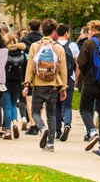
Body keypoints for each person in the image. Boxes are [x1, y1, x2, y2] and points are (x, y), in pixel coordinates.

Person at [25, 20, 68, 152]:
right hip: (53, 85)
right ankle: (50, 143)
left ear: (42, 30)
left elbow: (30, 67)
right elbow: (63, 70)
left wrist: (27, 83)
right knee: (52, 113)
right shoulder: (59, 48)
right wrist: (64, 87)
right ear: (54, 32)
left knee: (35, 112)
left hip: (39, 84)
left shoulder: (35, 46)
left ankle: (42, 128)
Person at [77, 19, 100, 149]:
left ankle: (92, 131)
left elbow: (81, 63)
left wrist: (86, 74)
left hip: (90, 81)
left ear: (92, 29)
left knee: (84, 109)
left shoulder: (88, 43)